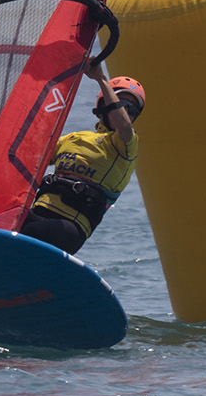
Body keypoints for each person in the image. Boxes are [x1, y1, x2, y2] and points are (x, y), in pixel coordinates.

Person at [19, 63, 143, 255]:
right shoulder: (72, 139)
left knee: (27, 233)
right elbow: (28, 157)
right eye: (121, 104)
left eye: (132, 111)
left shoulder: (126, 146)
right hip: (36, 215)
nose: (126, 113)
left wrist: (101, 78)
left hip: (68, 229)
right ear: (103, 106)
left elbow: (124, 127)